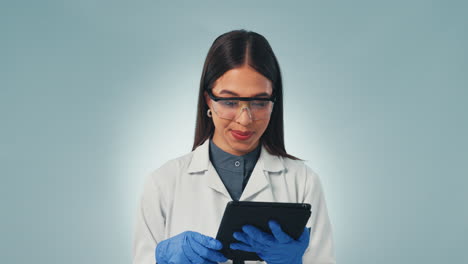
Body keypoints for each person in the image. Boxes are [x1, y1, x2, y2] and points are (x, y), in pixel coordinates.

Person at [132, 29, 336, 264]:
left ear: (274, 102)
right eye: (229, 101)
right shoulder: (163, 183)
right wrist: (161, 261)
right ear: (208, 99)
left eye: (259, 102)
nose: (245, 119)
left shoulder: (303, 182)